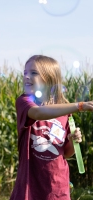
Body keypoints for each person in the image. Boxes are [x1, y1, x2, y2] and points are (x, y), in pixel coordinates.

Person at [10, 55, 93, 200]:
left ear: (49, 79)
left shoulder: (64, 113)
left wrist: (73, 141)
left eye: (34, 73)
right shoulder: (24, 102)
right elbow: (39, 113)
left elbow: (66, 153)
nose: (26, 77)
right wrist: (79, 106)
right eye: (25, 73)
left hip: (57, 187)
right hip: (30, 186)